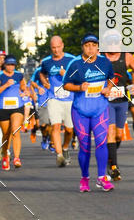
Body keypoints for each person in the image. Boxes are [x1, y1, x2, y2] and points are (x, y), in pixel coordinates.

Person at [63, 34, 115, 192]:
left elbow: (111, 79)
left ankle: (101, 178)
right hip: (81, 111)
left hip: (100, 109)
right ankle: (84, 178)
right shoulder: (75, 64)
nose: (91, 48)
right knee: (85, 146)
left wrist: (108, 88)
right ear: (82, 47)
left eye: (94, 45)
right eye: (87, 45)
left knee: (101, 142)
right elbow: (66, 85)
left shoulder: (105, 62)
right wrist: (79, 88)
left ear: (98, 47)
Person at [103, 50, 134, 180]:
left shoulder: (126, 56)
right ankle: (114, 166)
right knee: (111, 132)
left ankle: (110, 156)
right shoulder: (100, 57)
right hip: (106, 101)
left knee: (119, 135)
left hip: (122, 101)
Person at [40, 36, 76, 167]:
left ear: (63, 45)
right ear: (51, 48)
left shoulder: (71, 59)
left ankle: (65, 147)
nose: (56, 50)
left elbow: (79, 75)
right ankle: (59, 155)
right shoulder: (47, 62)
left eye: (58, 47)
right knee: (55, 126)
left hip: (70, 98)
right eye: (53, 48)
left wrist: (66, 74)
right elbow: (42, 73)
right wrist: (44, 82)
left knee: (69, 129)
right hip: (53, 98)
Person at [0, 56, 30, 170]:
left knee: (15, 130)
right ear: (4, 65)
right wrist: (6, 85)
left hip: (17, 107)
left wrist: (24, 91)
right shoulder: (1, 75)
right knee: (6, 134)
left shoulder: (19, 75)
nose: (11, 67)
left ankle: (17, 158)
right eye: (8, 64)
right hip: (3, 107)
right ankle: (5, 155)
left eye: (13, 65)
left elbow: (23, 86)